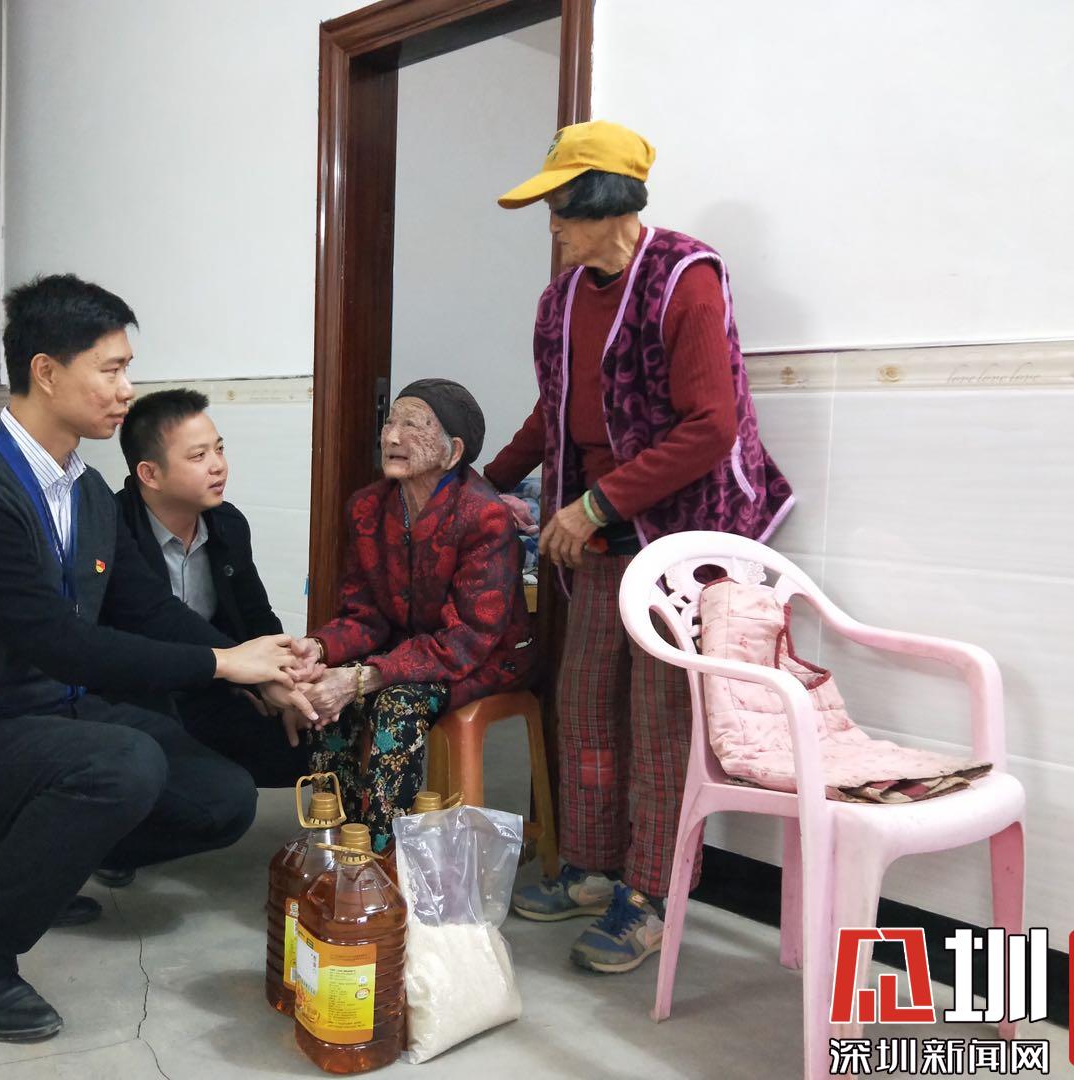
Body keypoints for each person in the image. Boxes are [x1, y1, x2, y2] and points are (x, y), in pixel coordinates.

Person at [0, 273, 315, 1042]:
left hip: (53, 717)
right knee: (123, 765)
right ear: (47, 372)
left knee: (219, 797)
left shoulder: (85, 493)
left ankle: (12, 851)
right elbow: (59, 642)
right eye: (111, 369)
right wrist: (226, 667)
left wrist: (266, 667)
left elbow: (147, 611)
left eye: (127, 369)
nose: (126, 389)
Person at [485, 121, 794, 974]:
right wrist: (488, 480)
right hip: (599, 539)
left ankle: (651, 895)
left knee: (659, 722)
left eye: (563, 207)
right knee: (584, 704)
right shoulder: (560, 301)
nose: (553, 225)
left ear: (607, 201)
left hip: (677, 537)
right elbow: (553, 412)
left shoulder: (685, 279)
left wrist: (595, 503)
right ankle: (590, 867)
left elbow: (711, 426)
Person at [293, 379, 537, 850]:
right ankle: (335, 843)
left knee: (397, 703)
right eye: (390, 422)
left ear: (453, 451)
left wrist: (366, 677)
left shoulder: (483, 516)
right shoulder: (367, 508)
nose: (392, 436)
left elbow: (467, 638)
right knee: (329, 696)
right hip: (408, 650)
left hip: (484, 657)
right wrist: (319, 648)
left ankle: (385, 855)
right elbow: (364, 615)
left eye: (413, 425)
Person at [115, 388, 312, 788]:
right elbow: (155, 623)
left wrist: (285, 680)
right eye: (198, 456)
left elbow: (256, 614)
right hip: (140, 693)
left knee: (308, 744)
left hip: (212, 687)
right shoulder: (115, 528)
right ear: (149, 474)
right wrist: (254, 676)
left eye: (219, 449)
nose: (218, 466)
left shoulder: (227, 524)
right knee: (214, 787)